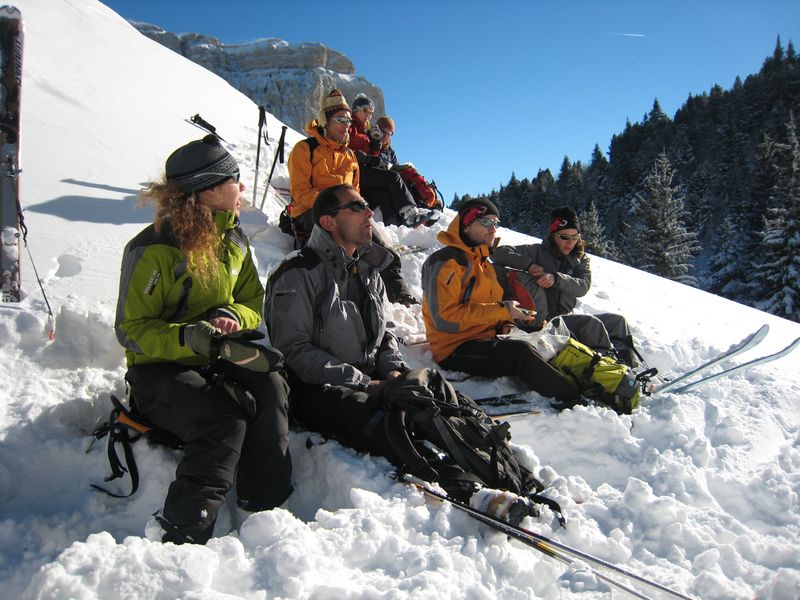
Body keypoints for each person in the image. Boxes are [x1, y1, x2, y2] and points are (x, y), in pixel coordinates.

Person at [115, 135, 293, 544]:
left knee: (271, 385)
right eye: (235, 178)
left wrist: (233, 315)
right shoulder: (153, 249)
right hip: (159, 369)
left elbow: (253, 300)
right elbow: (132, 329)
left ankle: (266, 508)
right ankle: (184, 532)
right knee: (222, 418)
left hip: (216, 351)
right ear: (210, 189)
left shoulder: (233, 239)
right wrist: (188, 337)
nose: (242, 188)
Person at [265, 183, 407, 459]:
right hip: (318, 388)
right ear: (329, 222)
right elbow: (293, 350)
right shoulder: (298, 272)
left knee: (426, 393)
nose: (369, 213)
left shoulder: (369, 269)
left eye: (367, 205)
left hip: (366, 377)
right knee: (391, 425)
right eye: (357, 207)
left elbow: (384, 334)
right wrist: (364, 383)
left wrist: (392, 371)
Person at [421, 198, 580, 403]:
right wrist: (503, 311)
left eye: (496, 223)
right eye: (486, 222)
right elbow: (445, 319)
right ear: (466, 224)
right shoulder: (447, 262)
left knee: (547, 339)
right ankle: (574, 401)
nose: (493, 229)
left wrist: (505, 322)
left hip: (486, 336)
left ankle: (589, 382)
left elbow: (487, 304)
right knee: (520, 354)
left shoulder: (482, 261)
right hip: (454, 348)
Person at [287, 89, 417, 305]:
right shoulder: (305, 149)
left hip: (348, 212)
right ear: (325, 121)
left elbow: (355, 191)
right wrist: (336, 207)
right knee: (339, 245)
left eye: (348, 120)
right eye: (340, 119)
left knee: (380, 246)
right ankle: (338, 297)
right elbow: (300, 193)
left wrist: (355, 209)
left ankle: (397, 290)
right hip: (312, 211)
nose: (346, 125)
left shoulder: (349, 156)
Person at [492, 207, 638, 367]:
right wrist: (528, 264)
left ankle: (630, 371)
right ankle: (610, 375)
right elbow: (499, 253)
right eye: (564, 237)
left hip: (566, 317)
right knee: (591, 325)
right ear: (553, 236)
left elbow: (583, 286)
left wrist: (556, 278)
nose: (570, 243)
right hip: (546, 324)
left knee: (617, 322)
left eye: (575, 237)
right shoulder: (538, 252)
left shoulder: (580, 258)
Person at [349, 93, 435, 228]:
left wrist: (375, 146)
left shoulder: (366, 131)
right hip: (354, 171)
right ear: (355, 109)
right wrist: (368, 157)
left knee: (384, 194)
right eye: (365, 110)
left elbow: (372, 156)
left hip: (363, 171)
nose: (368, 115)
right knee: (393, 177)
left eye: (371, 112)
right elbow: (345, 149)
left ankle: (394, 228)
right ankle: (410, 213)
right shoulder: (350, 126)